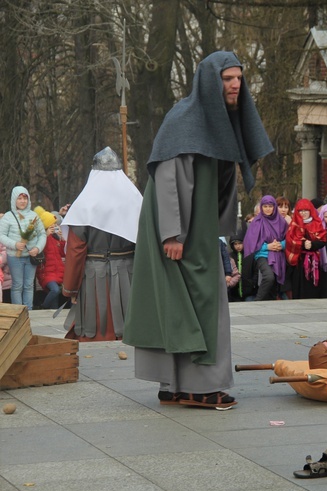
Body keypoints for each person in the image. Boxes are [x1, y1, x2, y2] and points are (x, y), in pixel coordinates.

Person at [123, 51, 273, 409]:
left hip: (196, 225)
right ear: (211, 82)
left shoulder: (220, 121)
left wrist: (215, 228)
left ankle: (175, 384)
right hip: (174, 225)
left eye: (239, 78)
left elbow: (221, 180)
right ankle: (200, 388)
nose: (236, 84)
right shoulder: (185, 119)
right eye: (228, 78)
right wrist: (171, 234)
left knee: (188, 301)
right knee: (196, 300)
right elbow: (168, 177)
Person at [61, 147, 143, 341]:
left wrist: (70, 288)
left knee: (95, 330)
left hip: (94, 275)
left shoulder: (84, 204)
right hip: (129, 274)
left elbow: (76, 250)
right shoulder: (134, 200)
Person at [0, 186, 47, 310]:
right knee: (17, 285)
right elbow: (1, 235)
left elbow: (42, 234)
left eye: (25, 198)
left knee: (28, 285)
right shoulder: (8, 217)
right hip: (14, 257)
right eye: (19, 198)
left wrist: (37, 248)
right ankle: (19, 312)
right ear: (14, 199)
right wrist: (14, 244)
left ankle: (29, 311)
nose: (22, 201)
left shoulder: (33, 215)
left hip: (31, 257)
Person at [242, 195, 287, 301]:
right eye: (265, 206)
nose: (268, 209)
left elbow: (288, 237)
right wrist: (268, 246)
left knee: (274, 282)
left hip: (278, 255)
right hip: (262, 255)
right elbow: (251, 242)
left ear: (274, 207)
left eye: (270, 206)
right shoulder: (257, 222)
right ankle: (257, 300)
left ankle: (270, 304)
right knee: (268, 276)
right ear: (261, 207)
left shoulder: (281, 222)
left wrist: (281, 245)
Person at [286, 199, 327, 299]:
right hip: (299, 260)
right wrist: (303, 243)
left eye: (306, 210)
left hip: (314, 260)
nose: (303, 213)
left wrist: (312, 244)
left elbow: (322, 240)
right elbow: (290, 240)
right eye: (301, 211)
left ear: (311, 211)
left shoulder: (317, 223)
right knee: (299, 284)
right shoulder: (294, 224)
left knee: (313, 285)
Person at [34, 207, 66, 310]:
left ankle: (52, 315)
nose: (54, 226)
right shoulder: (40, 237)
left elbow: (62, 253)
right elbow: (40, 250)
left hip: (58, 271)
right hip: (47, 272)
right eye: (52, 224)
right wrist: (45, 236)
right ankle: (42, 307)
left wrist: (61, 239)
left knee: (55, 300)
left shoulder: (55, 237)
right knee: (55, 290)